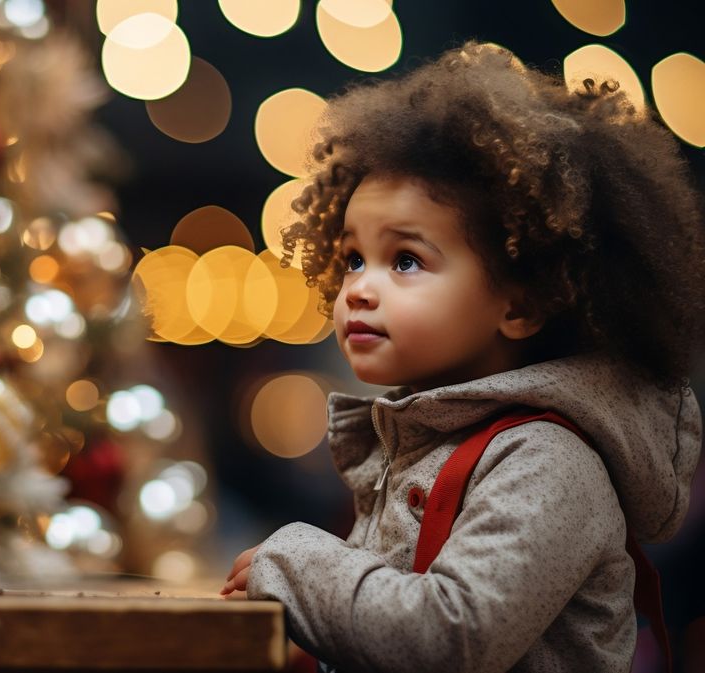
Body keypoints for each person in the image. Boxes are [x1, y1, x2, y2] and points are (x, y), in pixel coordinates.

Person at [219, 41, 705, 672]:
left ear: (523, 302)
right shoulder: (422, 439)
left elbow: (452, 638)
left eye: (406, 260)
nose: (360, 288)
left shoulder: (547, 461)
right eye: (352, 259)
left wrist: (296, 562)